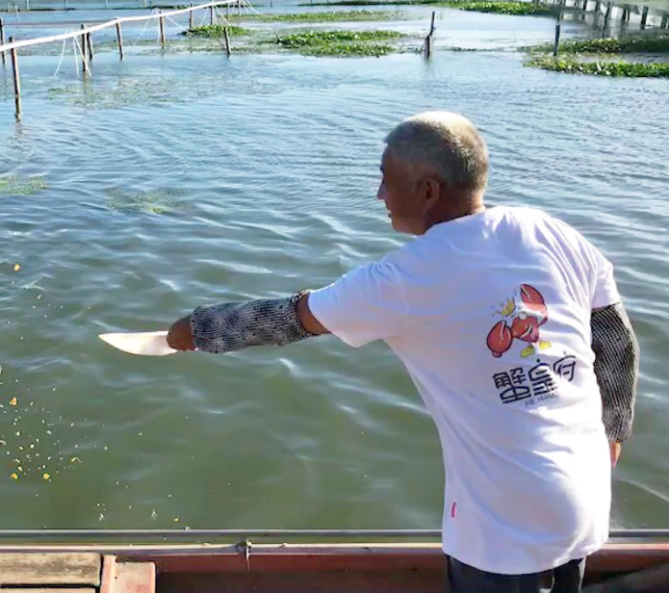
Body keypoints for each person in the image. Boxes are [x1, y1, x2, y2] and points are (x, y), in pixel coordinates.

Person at [164, 111, 639, 593]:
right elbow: (616, 339)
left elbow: (290, 319)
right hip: (585, 493)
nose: (379, 195)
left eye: (386, 180)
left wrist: (193, 331)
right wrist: (614, 430)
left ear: (428, 190)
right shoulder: (551, 232)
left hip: (503, 526)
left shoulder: (405, 279)